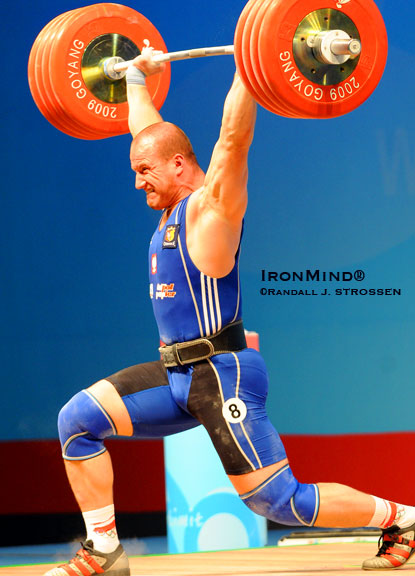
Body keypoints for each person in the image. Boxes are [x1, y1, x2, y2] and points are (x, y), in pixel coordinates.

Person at [45, 46, 415, 576]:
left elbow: (232, 141)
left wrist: (251, 63)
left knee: (278, 501)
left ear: (179, 166)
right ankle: (105, 550)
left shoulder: (211, 210)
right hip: (177, 374)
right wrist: (133, 80)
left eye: (144, 170)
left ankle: (402, 517)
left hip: (221, 375)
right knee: (77, 421)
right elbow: (150, 135)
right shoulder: (170, 194)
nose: (136, 180)